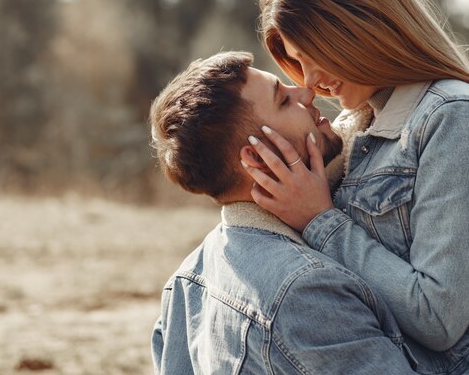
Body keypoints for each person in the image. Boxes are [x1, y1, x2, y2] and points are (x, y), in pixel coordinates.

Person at [240, 0, 469, 374]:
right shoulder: (355, 123)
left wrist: (319, 219)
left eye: (317, 55)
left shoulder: (457, 116)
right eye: (299, 62)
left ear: (364, 26)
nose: (308, 82)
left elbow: (438, 318)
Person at [149, 51, 418, 374]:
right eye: (283, 101)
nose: (306, 92)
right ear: (259, 158)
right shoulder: (306, 293)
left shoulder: (185, 281)